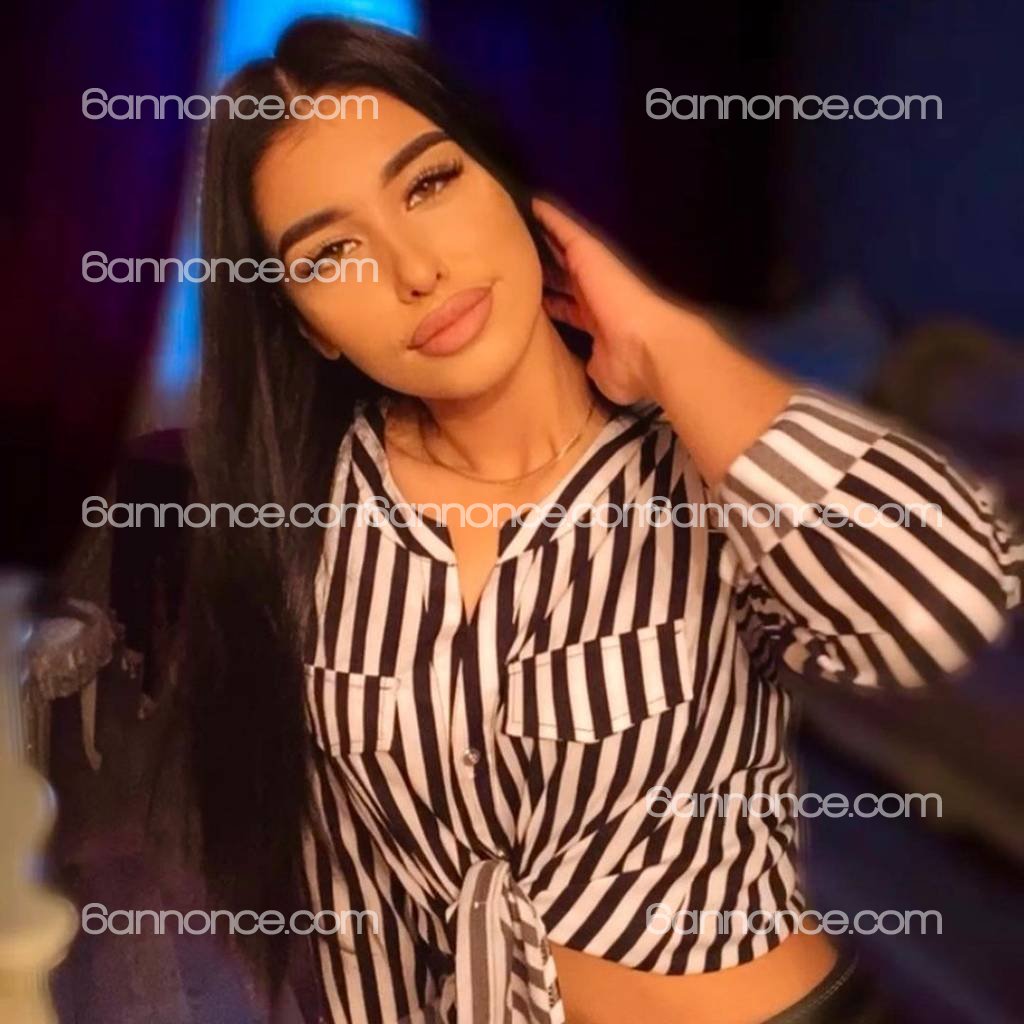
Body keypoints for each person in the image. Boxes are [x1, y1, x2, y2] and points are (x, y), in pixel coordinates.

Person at [183, 17, 1022, 1024]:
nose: (414, 269)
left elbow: (951, 602)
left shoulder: (704, 462)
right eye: (331, 253)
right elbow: (357, 887)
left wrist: (670, 343)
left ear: (506, 187)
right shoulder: (309, 523)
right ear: (306, 325)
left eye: (430, 183)